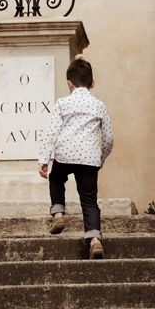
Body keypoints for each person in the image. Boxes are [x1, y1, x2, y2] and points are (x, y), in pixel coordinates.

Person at [38, 56, 114, 259]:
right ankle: (95, 239)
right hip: (89, 158)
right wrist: (100, 158)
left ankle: (59, 213)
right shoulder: (99, 105)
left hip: (65, 154)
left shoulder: (63, 103)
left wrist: (44, 159)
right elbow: (108, 138)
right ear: (92, 83)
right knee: (89, 200)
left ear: (69, 84)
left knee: (56, 178)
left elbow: (52, 132)